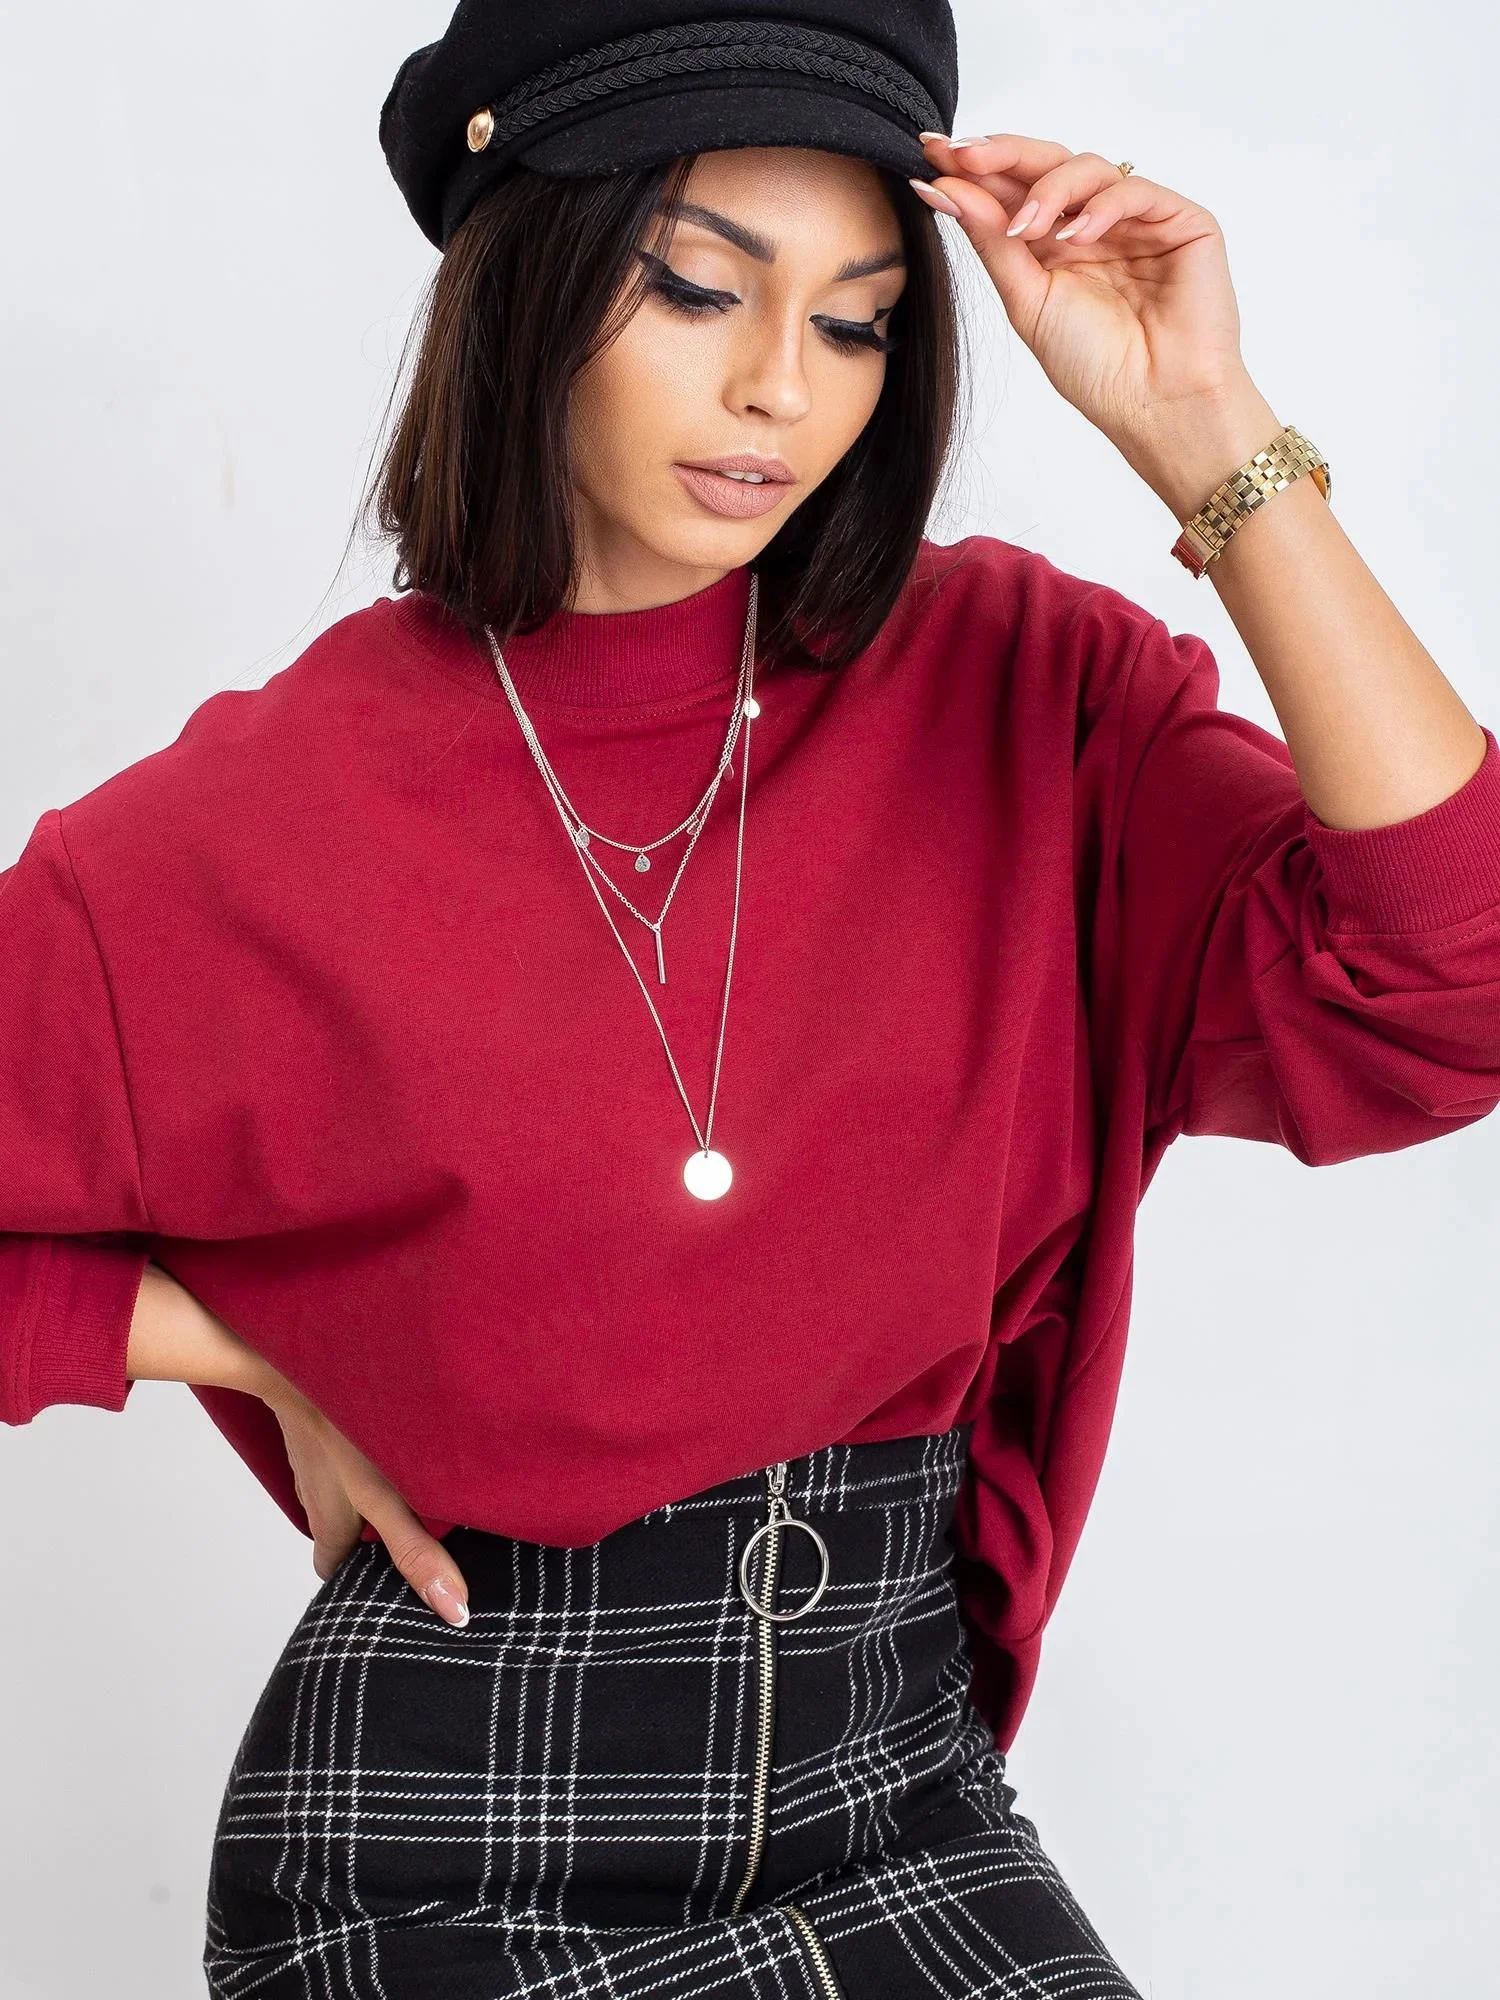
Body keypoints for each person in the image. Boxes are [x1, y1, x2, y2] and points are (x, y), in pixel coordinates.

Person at [4, 2, 1499, 1994]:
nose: (781, 387)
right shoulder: (244, 830)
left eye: (859, 320)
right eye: (698, 289)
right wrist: (230, 1348)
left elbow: (1449, 984)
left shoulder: (1019, 693)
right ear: (527, 279)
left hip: (896, 1785)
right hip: (448, 1823)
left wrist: (1212, 434)